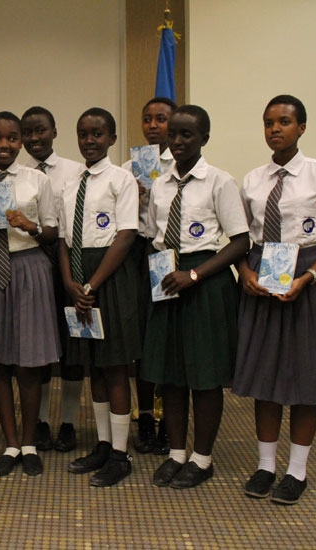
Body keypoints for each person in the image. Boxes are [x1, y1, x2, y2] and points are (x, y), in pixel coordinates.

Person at [233, 95, 316, 505]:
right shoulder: (252, 180)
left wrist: (308, 277)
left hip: (308, 277)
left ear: (301, 127)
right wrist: (244, 273)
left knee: (305, 380)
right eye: (268, 122)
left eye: (284, 122)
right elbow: (242, 241)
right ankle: (266, 465)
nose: (275, 129)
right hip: (262, 275)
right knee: (265, 378)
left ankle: (296, 471)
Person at [143, 105, 250, 490]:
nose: (177, 141)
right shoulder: (160, 184)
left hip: (204, 280)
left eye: (187, 134)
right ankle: (176, 454)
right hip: (167, 280)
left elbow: (240, 242)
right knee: (171, 376)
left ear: (204, 138)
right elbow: (154, 236)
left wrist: (194, 274)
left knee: (204, 377)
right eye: (173, 133)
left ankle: (202, 459)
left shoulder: (220, 182)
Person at [0, 112, 60, 477]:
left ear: (21, 142)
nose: (3, 145)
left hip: (29, 268)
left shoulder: (37, 180)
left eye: (11, 138)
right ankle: (9, 443)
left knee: (28, 363)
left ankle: (29, 443)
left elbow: (54, 233)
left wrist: (31, 225)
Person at [60, 107, 140, 487]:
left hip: (110, 276)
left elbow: (125, 236)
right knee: (93, 364)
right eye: (83, 134)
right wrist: (70, 283)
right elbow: (62, 240)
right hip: (78, 279)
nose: (89, 141)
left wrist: (92, 285)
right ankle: (104, 444)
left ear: (111, 138)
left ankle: (122, 455)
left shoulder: (121, 180)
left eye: (97, 134)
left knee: (115, 366)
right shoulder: (70, 184)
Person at [20, 106, 84, 453]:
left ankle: (70, 422)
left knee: (72, 349)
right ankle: (41, 421)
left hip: (70, 269)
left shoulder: (76, 171)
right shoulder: (18, 175)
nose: (34, 138)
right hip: (34, 270)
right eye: (27, 133)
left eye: (40, 130)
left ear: (54, 131)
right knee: (39, 350)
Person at [121, 97, 177, 455]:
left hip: (166, 254)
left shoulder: (181, 166)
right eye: (147, 119)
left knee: (166, 336)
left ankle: (169, 421)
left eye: (161, 119)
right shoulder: (127, 167)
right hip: (132, 253)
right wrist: (131, 195)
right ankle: (144, 417)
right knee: (139, 336)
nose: (153, 125)